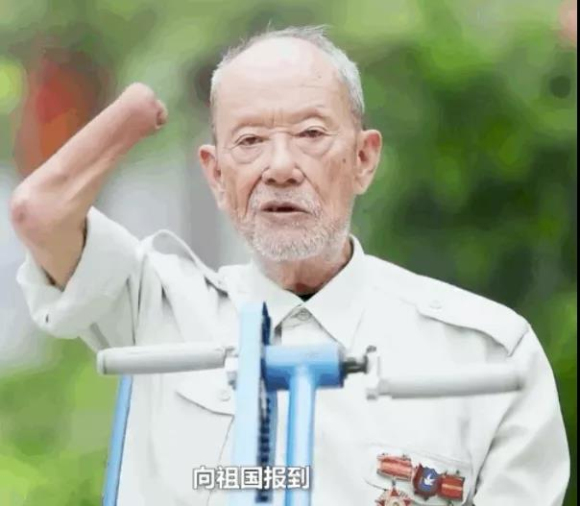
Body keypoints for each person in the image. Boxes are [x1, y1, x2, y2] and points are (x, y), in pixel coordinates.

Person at [9, 26, 569, 506]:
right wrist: (132, 114)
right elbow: (40, 211)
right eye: (250, 140)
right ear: (216, 176)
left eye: (310, 135)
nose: (279, 167)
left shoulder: (486, 354)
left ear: (364, 159)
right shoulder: (156, 309)